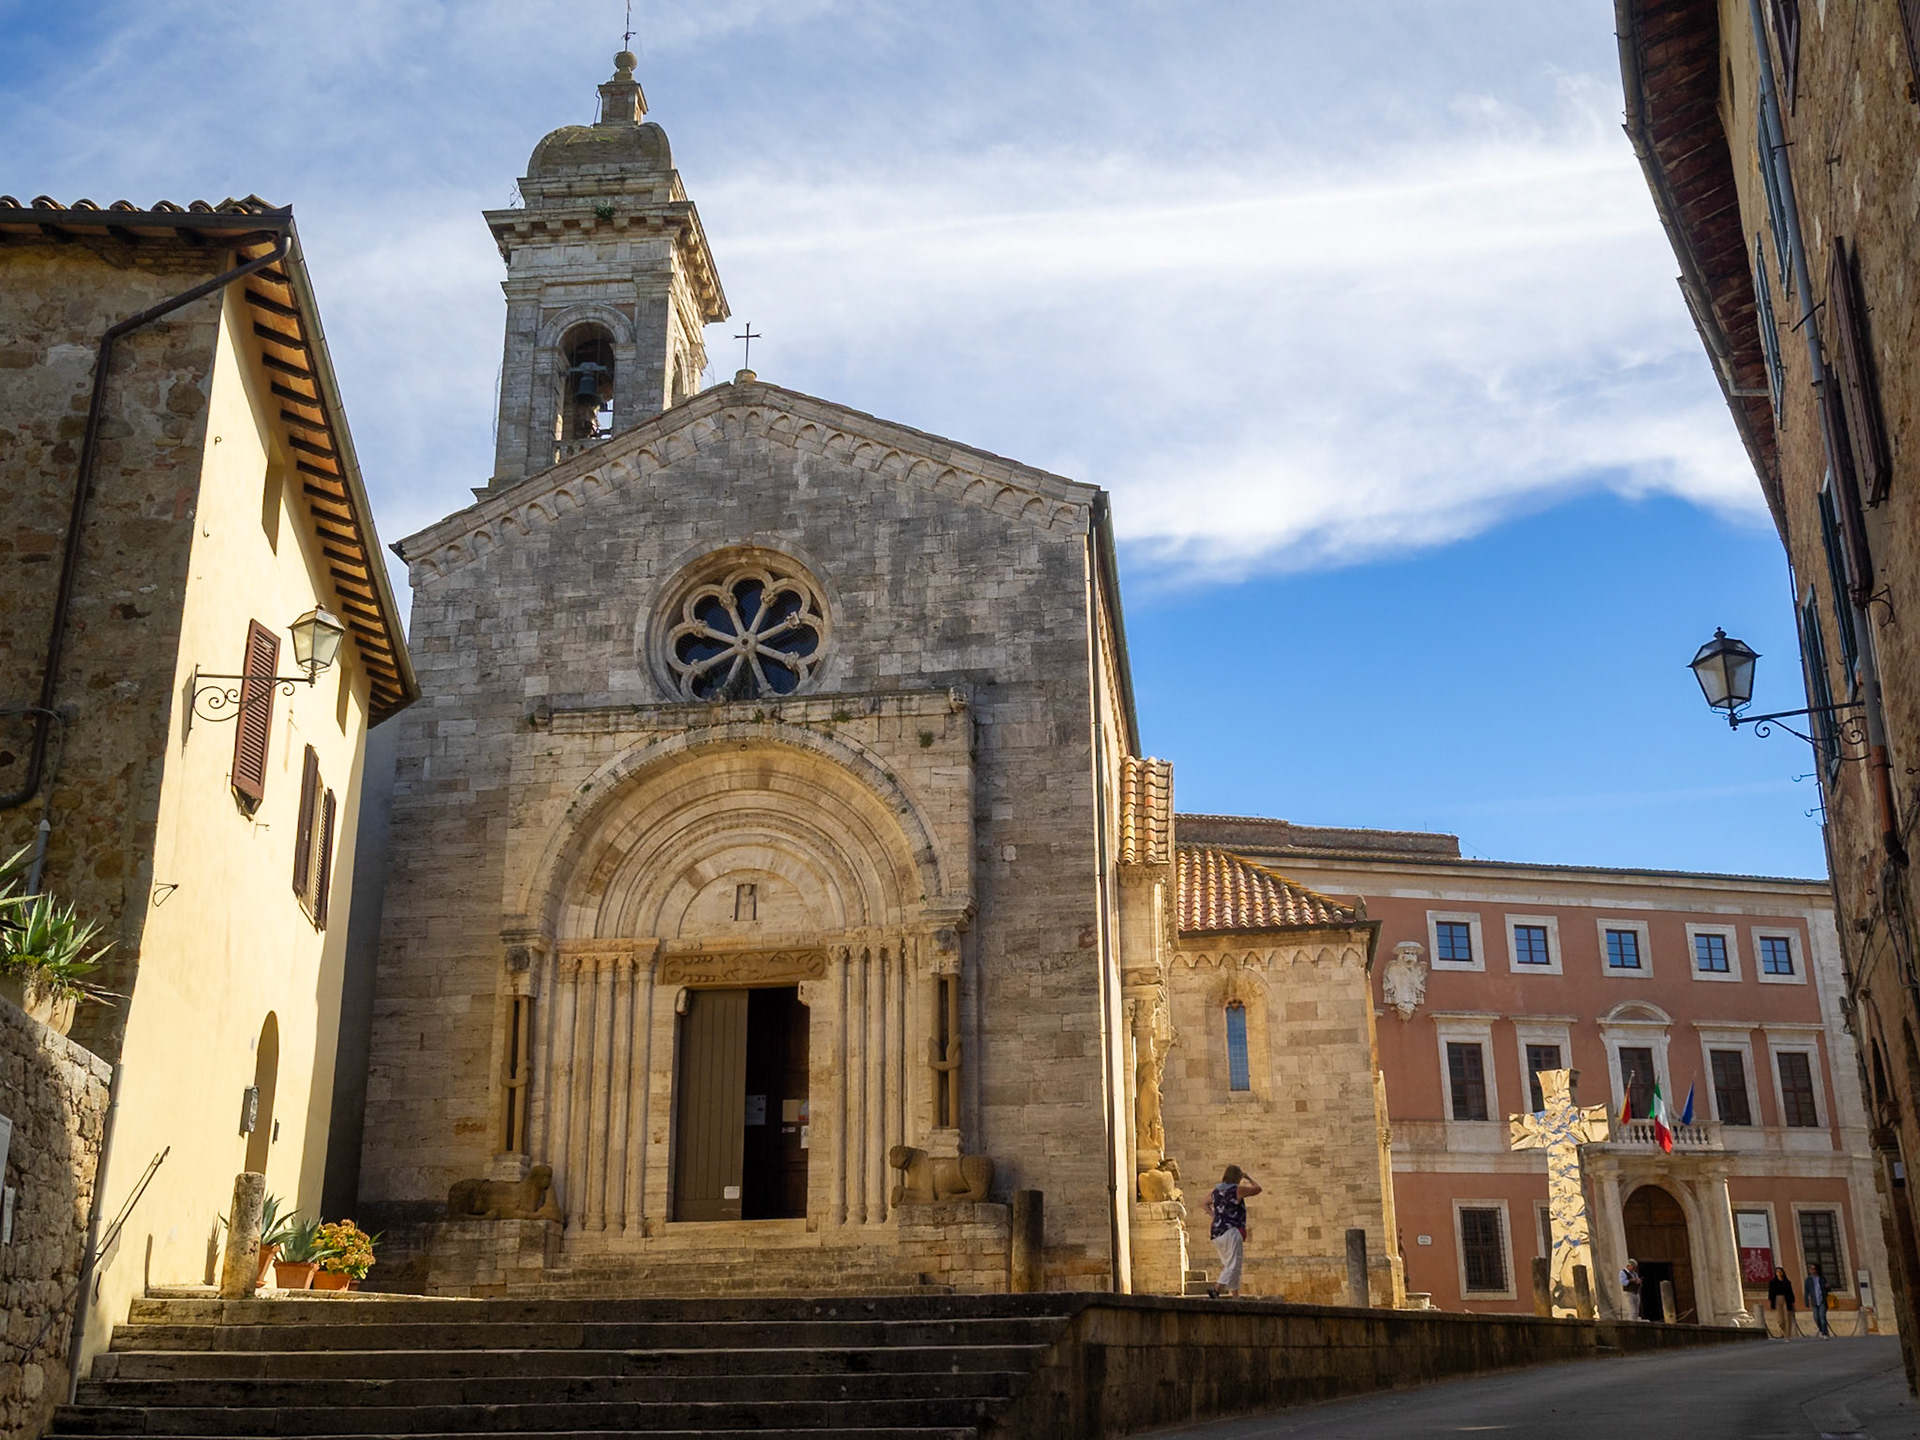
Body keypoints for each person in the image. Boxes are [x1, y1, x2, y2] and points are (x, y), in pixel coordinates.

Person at [1203, 1164, 1262, 1298]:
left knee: (1232, 1264)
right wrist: (1248, 1177)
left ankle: (1235, 1295)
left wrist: (1215, 1216)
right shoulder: (1237, 1190)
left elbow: (1203, 1203)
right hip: (1231, 1231)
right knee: (1233, 1264)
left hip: (1216, 1232)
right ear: (1237, 1177)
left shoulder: (1216, 1191)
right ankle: (1216, 1289)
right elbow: (1258, 1189)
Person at [1768, 1266, 1798, 1339]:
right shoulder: (1773, 1282)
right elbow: (1771, 1294)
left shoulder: (1787, 1282)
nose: (1779, 1273)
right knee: (1781, 1320)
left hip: (1787, 1299)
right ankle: (1784, 1332)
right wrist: (1771, 1305)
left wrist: (1793, 1303)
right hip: (1778, 1299)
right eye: (1777, 1272)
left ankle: (1788, 1335)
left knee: (1788, 1318)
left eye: (1780, 1272)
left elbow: (1791, 1293)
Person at [1805, 1264, 1831, 1338]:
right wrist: (1806, 1301)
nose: (1812, 1271)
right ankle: (1821, 1330)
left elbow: (1828, 1290)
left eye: (1814, 1269)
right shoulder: (1808, 1280)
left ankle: (1824, 1333)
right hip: (1814, 1301)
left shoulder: (1822, 1279)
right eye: (1811, 1269)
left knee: (1822, 1317)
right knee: (1816, 1317)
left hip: (1822, 1300)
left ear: (1817, 1270)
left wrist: (1827, 1287)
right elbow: (1806, 1291)